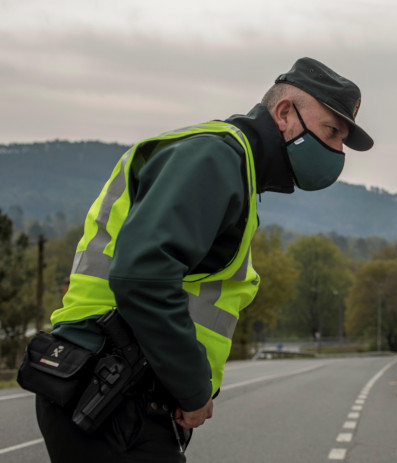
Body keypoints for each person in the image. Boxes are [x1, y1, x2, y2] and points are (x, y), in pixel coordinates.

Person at [35, 57, 373, 462]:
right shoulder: (215, 159)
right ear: (285, 113)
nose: (337, 150)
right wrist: (193, 386)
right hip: (108, 386)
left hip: (118, 382)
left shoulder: (234, 167)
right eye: (332, 131)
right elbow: (143, 278)